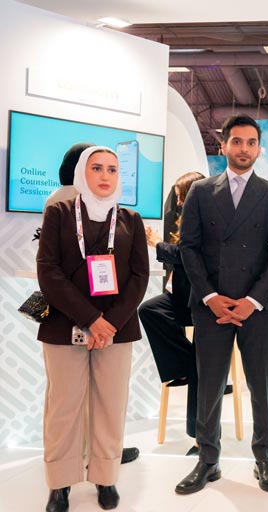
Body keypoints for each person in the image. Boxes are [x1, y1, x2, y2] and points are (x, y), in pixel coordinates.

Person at [175, 115, 268, 495]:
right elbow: (188, 247)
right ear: (223, 145)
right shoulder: (200, 192)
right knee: (209, 384)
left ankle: (264, 458)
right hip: (211, 306)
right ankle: (207, 460)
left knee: (262, 386)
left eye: (251, 142)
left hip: (255, 308)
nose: (244, 148)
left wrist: (253, 300)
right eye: (237, 141)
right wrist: (210, 297)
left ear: (259, 148)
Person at [37, 146, 149, 511]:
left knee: (110, 404)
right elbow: (48, 272)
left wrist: (109, 323)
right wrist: (91, 319)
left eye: (112, 170)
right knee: (63, 406)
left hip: (116, 329)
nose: (105, 176)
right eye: (97, 168)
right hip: (64, 324)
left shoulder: (130, 219)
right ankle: (60, 484)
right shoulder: (59, 213)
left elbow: (139, 276)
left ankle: (105, 477)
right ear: (82, 173)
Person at [139, 171, 205, 456]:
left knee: (199, 363)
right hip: (179, 297)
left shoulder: (205, 222)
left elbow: (185, 257)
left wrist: (156, 243)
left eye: (180, 196)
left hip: (199, 302)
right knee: (149, 310)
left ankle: (200, 437)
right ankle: (185, 366)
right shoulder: (185, 220)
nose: (177, 202)